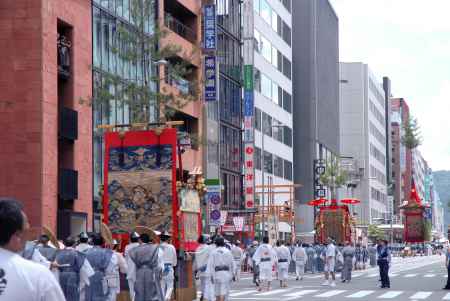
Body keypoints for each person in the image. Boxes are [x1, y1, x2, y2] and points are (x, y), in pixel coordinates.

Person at [0, 198, 66, 300]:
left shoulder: (34, 249)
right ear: (18, 235)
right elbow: (41, 261)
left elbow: (41, 260)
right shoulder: (39, 276)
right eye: (27, 225)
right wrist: (51, 264)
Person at [55, 236, 95, 301]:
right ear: (74, 244)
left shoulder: (59, 253)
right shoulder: (79, 254)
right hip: (73, 276)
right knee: (73, 295)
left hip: (61, 275)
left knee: (62, 295)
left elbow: (55, 267)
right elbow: (85, 269)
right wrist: (86, 281)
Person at [127, 233, 164, 301]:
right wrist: (159, 275)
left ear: (140, 240)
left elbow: (132, 266)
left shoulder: (134, 250)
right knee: (152, 293)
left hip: (139, 273)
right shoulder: (156, 248)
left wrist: (132, 277)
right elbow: (160, 264)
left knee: (140, 293)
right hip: (151, 272)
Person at [85, 234, 120, 301]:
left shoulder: (86, 252)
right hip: (101, 275)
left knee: (90, 295)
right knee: (102, 295)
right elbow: (111, 266)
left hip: (89, 276)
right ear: (102, 243)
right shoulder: (107, 252)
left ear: (92, 242)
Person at [206, 236, 234, 301]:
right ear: (223, 243)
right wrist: (232, 273)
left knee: (217, 292)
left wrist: (210, 275)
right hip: (226, 274)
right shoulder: (227, 251)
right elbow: (232, 263)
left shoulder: (213, 252)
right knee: (223, 291)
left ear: (216, 243)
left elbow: (210, 264)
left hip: (216, 274)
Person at [194, 235, 214, 301]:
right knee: (208, 286)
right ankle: (205, 298)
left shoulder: (197, 248)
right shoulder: (209, 248)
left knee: (203, 285)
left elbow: (196, 261)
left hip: (200, 270)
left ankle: (202, 296)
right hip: (207, 270)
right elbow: (212, 258)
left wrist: (196, 270)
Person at [159, 232, 177, 301]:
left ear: (161, 239)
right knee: (170, 286)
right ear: (167, 239)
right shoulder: (171, 247)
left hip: (160, 269)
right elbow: (174, 260)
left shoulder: (158, 247)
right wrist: (173, 264)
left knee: (162, 286)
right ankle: (167, 298)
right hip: (169, 268)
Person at [124, 231, 140, 301]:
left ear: (130, 239)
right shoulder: (141, 246)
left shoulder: (127, 247)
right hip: (139, 271)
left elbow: (126, 258)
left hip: (130, 270)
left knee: (131, 289)